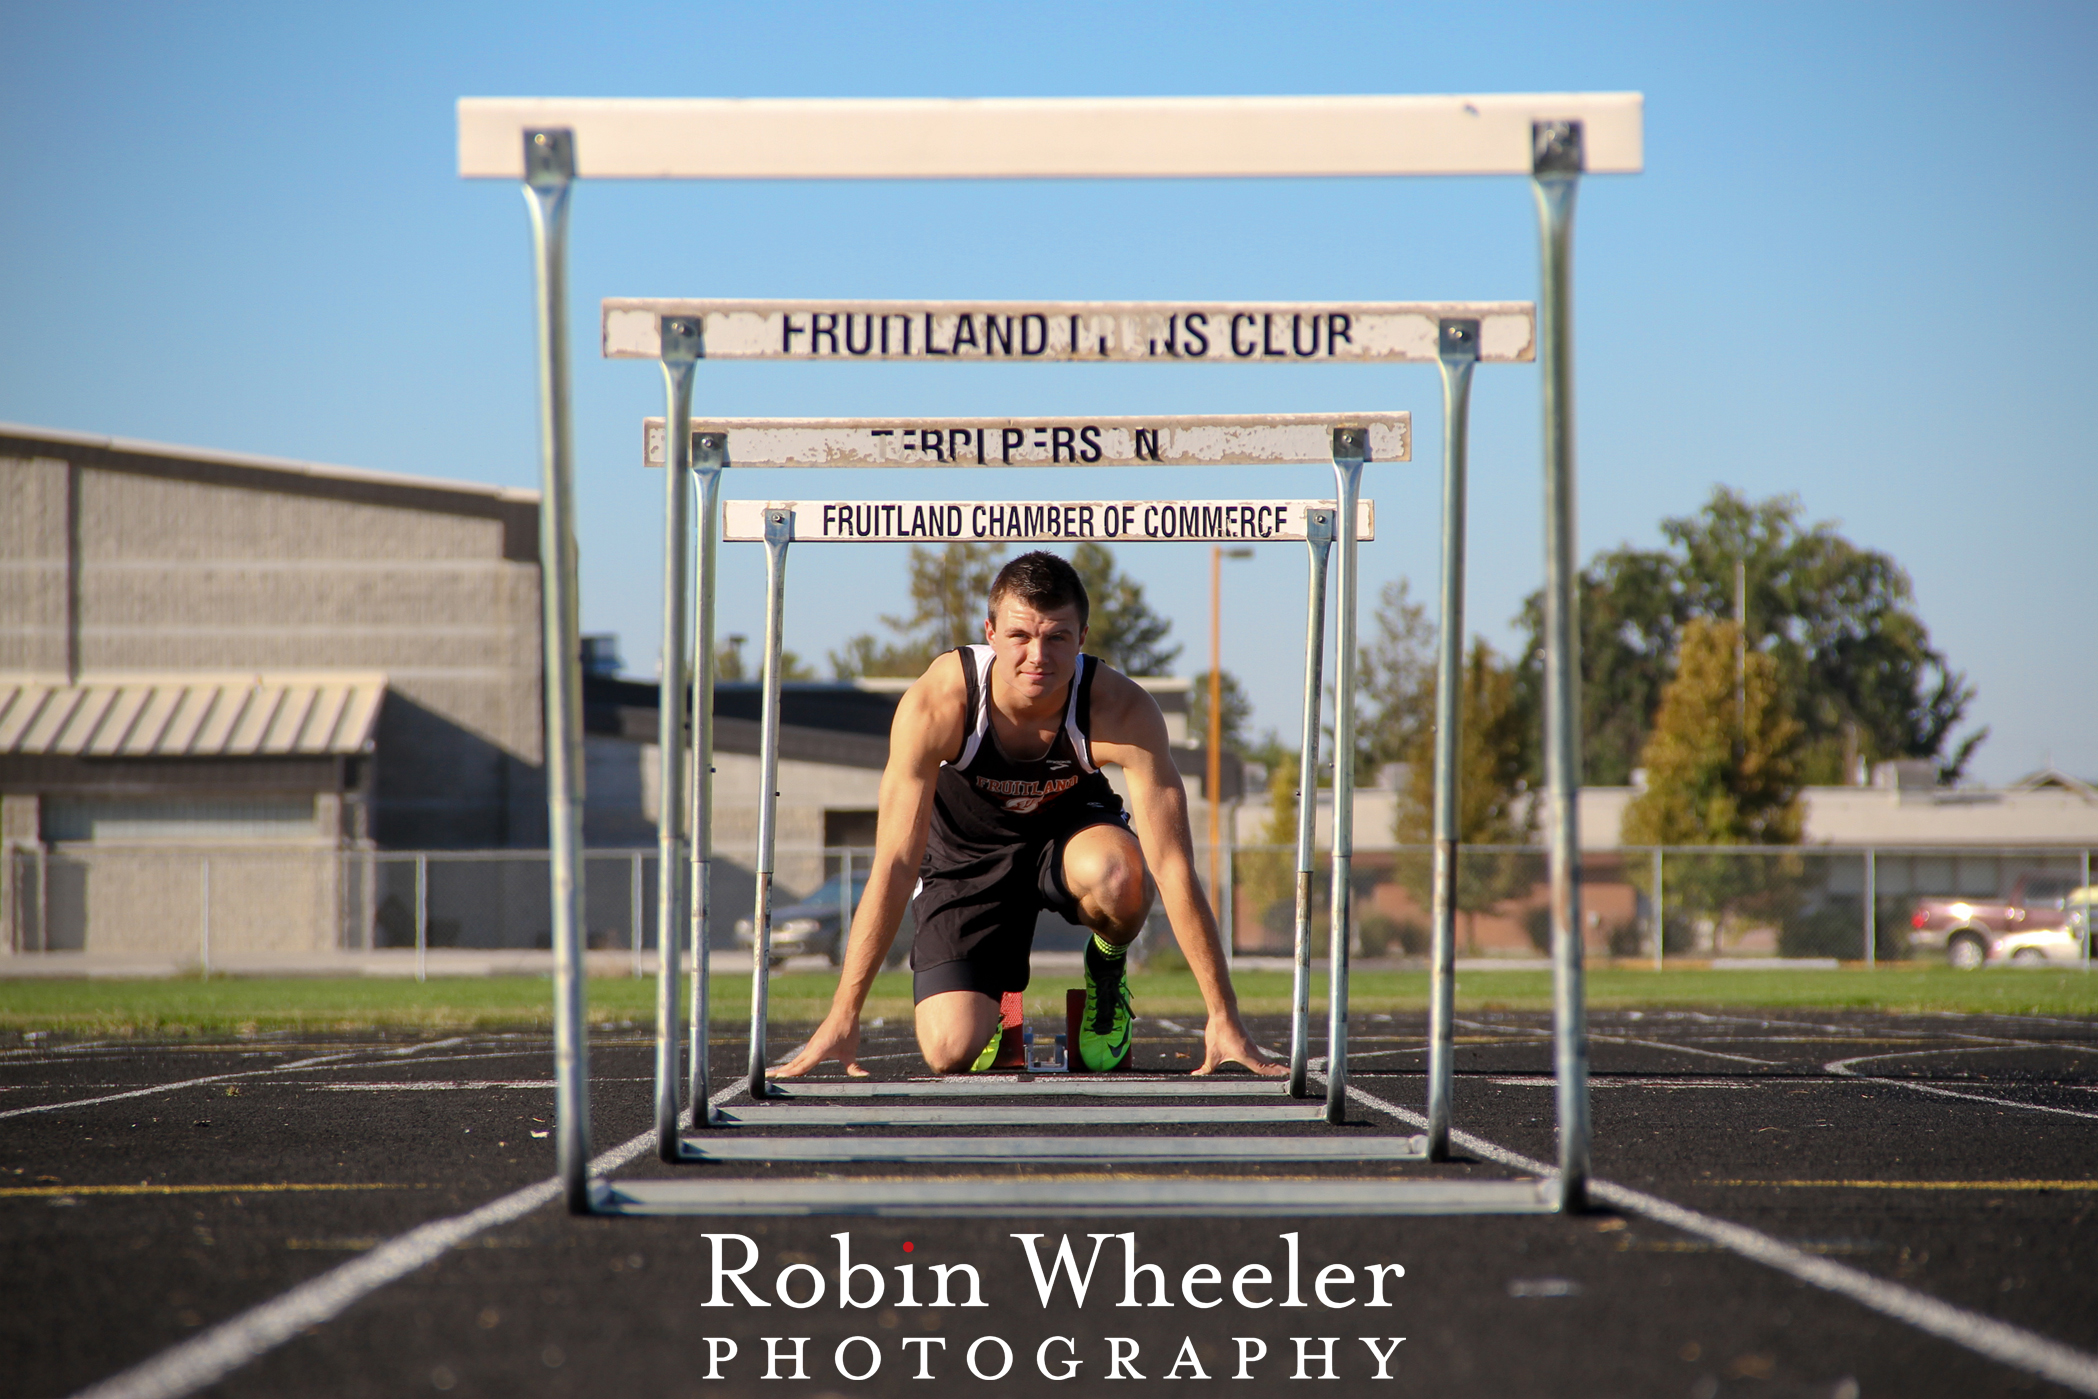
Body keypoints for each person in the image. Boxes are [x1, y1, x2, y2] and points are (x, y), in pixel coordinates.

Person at [770, 550, 1282, 1079]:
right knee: (948, 1049)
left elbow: (1173, 867)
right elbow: (895, 864)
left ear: (1082, 639)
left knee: (1123, 877)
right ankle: (999, 998)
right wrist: (842, 1013)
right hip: (965, 854)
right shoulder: (938, 702)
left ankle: (1106, 969)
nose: (1037, 656)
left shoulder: (1121, 709)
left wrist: (1224, 1015)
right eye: (1020, 636)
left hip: (1067, 837)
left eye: (1057, 636)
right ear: (989, 632)